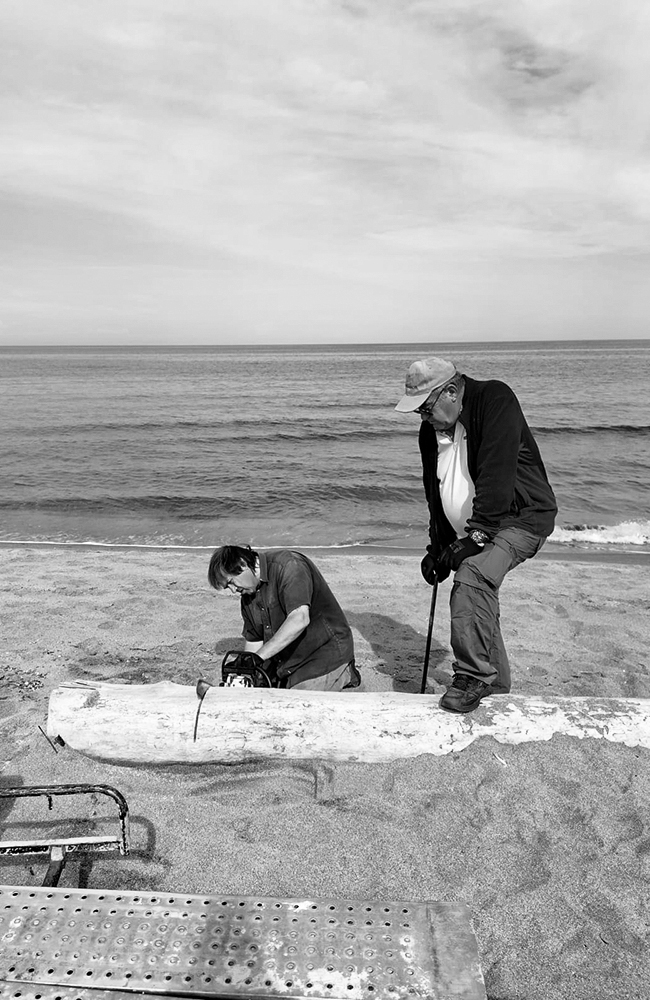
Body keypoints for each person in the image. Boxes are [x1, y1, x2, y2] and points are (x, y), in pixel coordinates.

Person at [395, 356, 557, 714]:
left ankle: (473, 677)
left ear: (451, 391)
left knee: (473, 576)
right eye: (418, 413)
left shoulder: (495, 400)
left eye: (426, 408)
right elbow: (434, 490)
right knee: (479, 591)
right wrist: (437, 547)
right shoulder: (431, 431)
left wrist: (477, 537)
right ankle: (496, 681)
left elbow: (498, 476)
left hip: (521, 519)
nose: (423, 418)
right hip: (476, 526)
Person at [208, 544, 359, 691]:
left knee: (296, 704)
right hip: (286, 662)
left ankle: (345, 671)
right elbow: (255, 640)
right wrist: (247, 666)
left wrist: (259, 657)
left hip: (324, 654)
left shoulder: (290, 566)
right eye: (228, 588)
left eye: (231, 582)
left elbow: (299, 619)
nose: (233, 591)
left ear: (243, 564)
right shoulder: (247, 595)